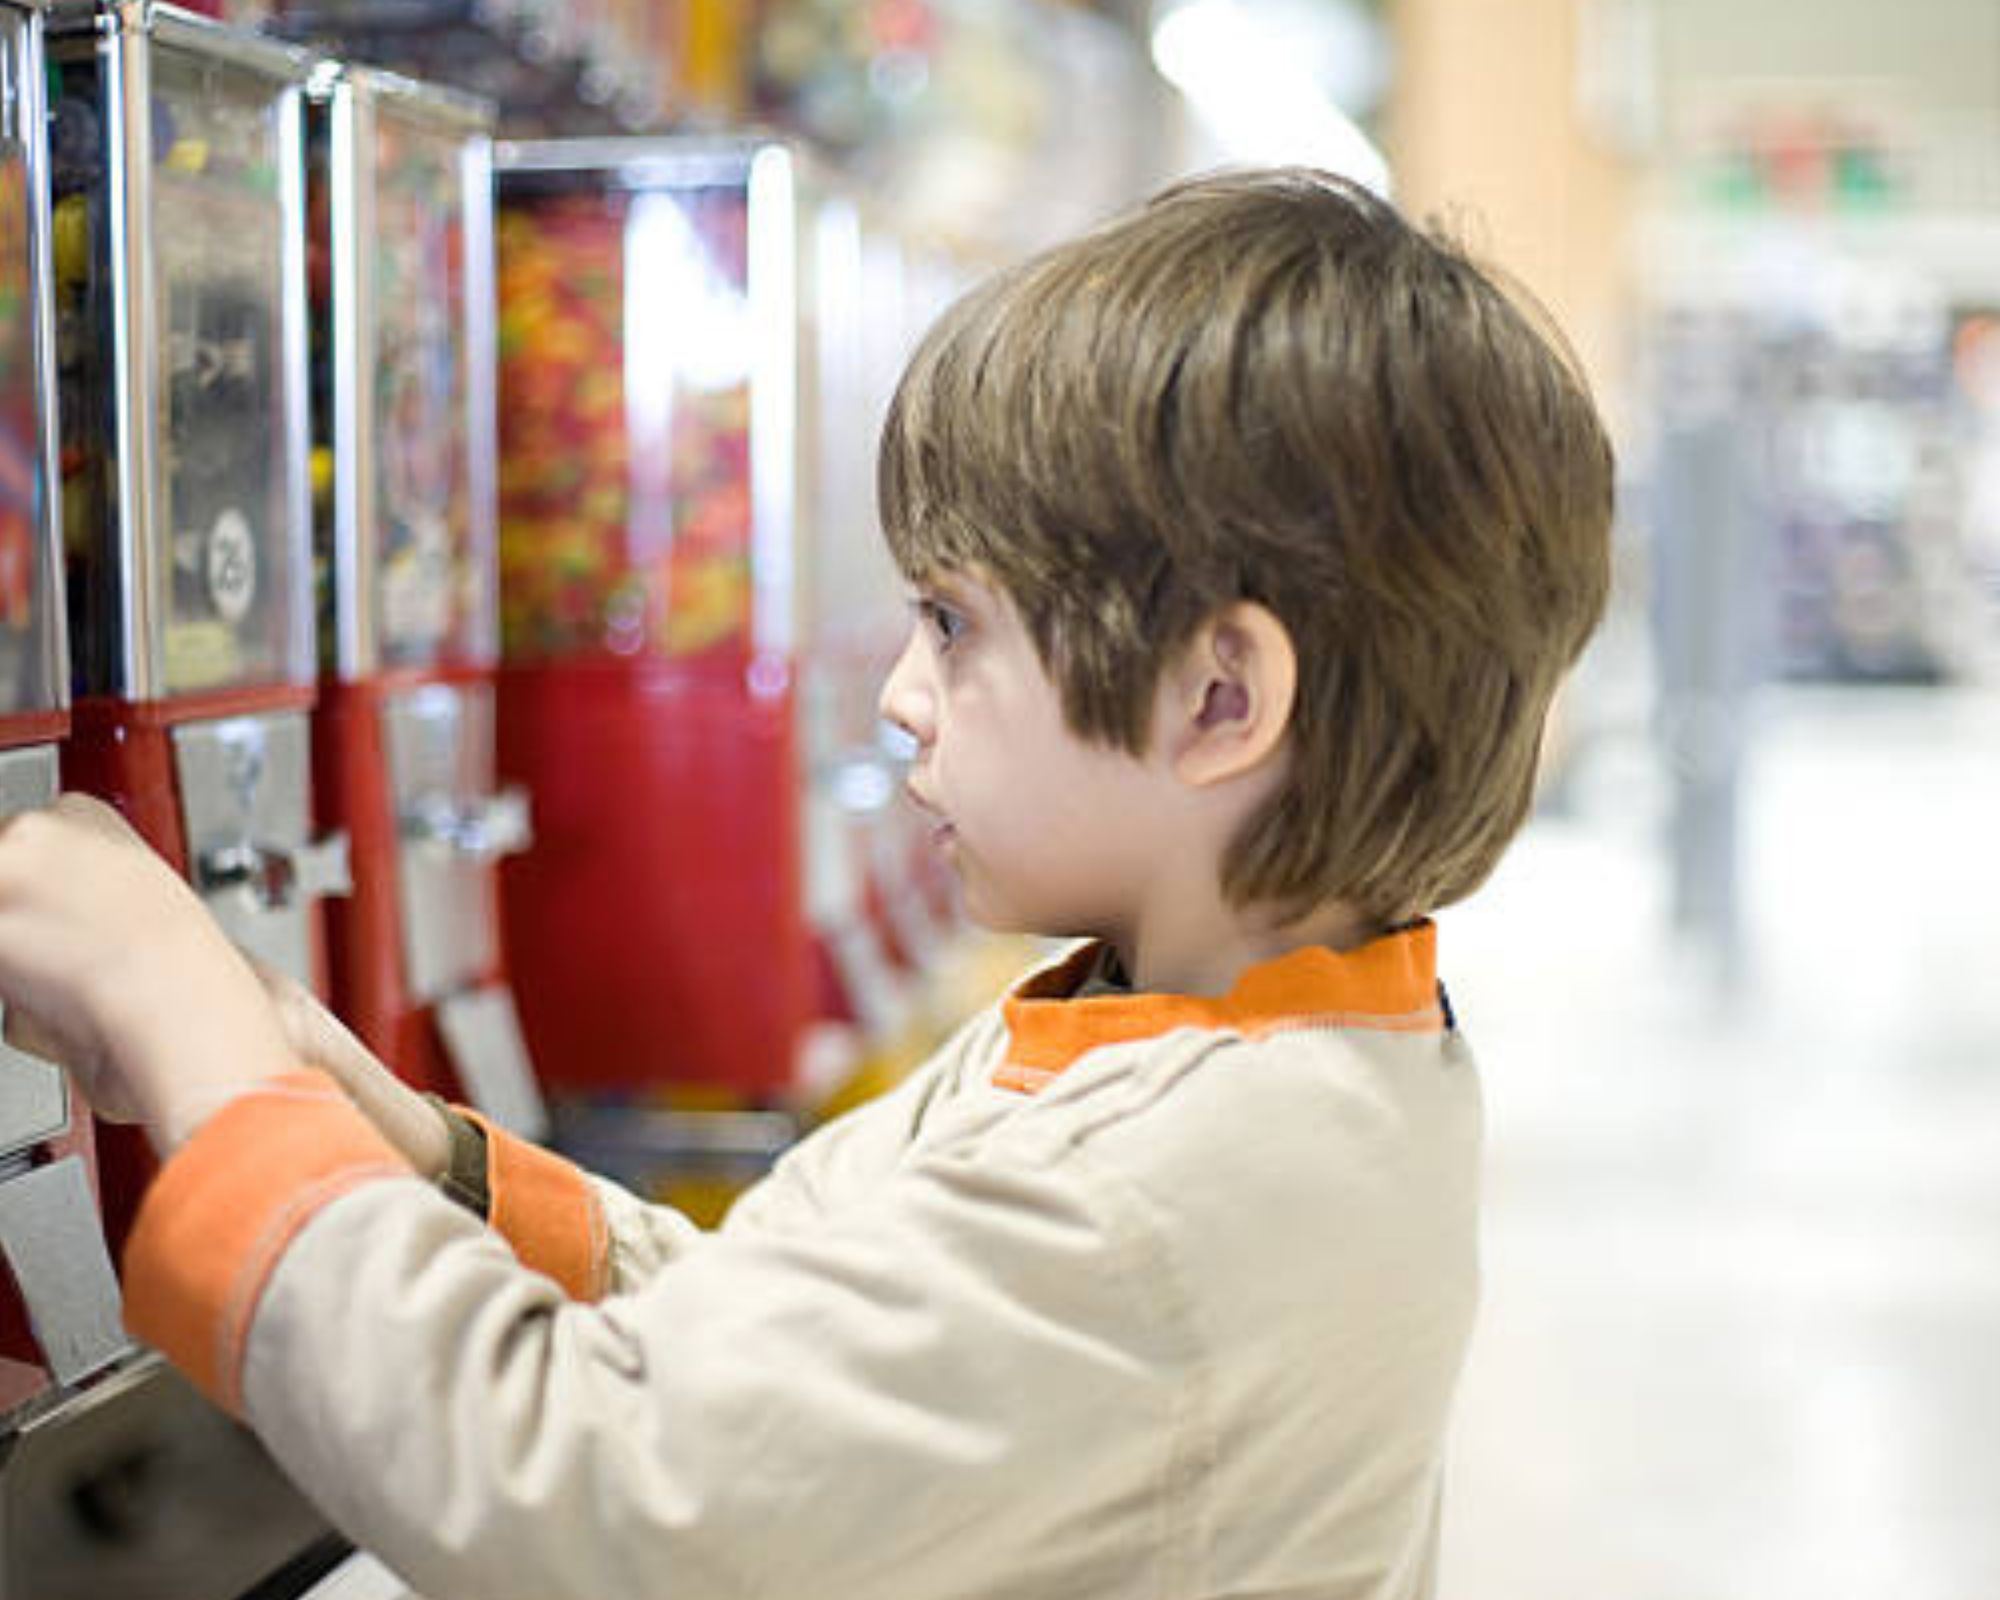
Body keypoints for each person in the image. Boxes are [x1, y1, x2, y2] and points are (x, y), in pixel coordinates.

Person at [0, 167, 1612, 1600]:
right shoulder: (1204, 1039)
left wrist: (176, 1016)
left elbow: (585, 1496)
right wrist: (414, 1152)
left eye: (957, 627)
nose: (902, 691)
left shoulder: (1157, 1195)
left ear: (1216, 700)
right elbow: (791, 1354)